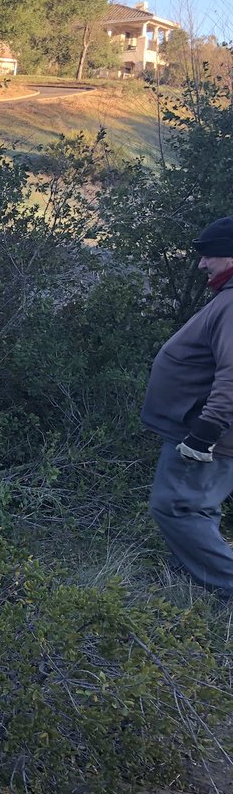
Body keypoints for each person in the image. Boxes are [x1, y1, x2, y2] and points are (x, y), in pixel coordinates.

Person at [142, 216, 233, 596]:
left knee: (177, 508)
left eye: (208, 254)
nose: (201, 263)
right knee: (199, 509)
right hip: (207, 431)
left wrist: (203, 435)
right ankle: (199, 587)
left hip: (206, 436)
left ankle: (224, 587)